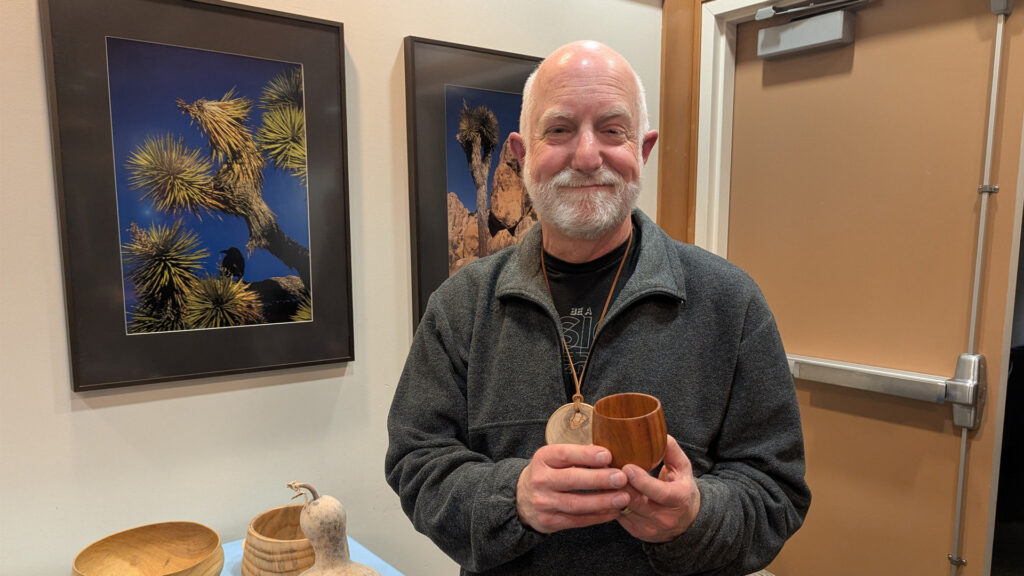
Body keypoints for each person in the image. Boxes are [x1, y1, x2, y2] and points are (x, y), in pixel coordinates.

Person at [385, 40, 810, 575]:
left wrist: (695, 517)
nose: (587, 157)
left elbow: (776, 491)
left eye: (612, 130)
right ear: (521, 153)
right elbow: (416, 461)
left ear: (643, 150)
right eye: (559, 130)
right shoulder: (460, 306)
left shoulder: (731, 302)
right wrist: (513, 498)